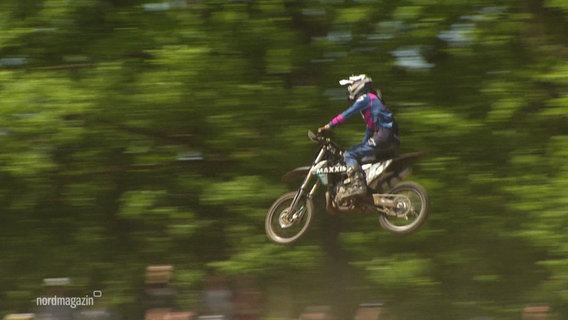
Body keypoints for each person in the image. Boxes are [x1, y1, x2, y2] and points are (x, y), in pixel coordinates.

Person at [318, 74, 399, 200]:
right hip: (388, 138)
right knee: (361, 158)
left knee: (348, 155)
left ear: (360, 85)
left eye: (351, 85)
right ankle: (367, 191)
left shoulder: (366, 98)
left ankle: (357, 185)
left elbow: (347, 113)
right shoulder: (372, 102)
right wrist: (363, 146)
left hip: (383, 136)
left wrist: (329, 126)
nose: (350, 88)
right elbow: (369, 129)